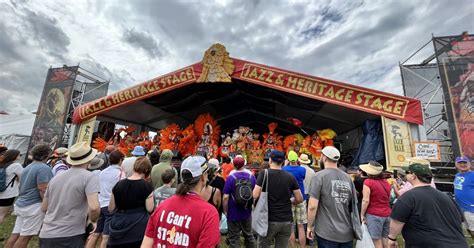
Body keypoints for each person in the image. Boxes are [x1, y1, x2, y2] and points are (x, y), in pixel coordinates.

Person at [141, 155, 221, 247]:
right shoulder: (209, 213)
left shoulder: (163, 205)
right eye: (207, 174)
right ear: (203, 177)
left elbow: (146, 244)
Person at [388, 163, 468, 248]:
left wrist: (392, 238)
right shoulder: (447, 197)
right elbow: (460, 220)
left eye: (407, 172)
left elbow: (397, 221)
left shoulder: (408, 197)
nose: (405, 174)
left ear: (413, 176)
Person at [39, 142, 101, 247]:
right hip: (71, 234)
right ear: (89, 159)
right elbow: (94, 207)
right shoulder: (89, 177)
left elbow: (44, 207)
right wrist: (93, 221)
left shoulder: (56, 178)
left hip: (46, 234)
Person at [306, 146, 360, 248]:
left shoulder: (318, 176)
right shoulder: (347, 178)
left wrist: (309, 226)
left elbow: (312, 206)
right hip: (347, 232)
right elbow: (353, 205)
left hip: (326, 233)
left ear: (324, 158)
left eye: (321, 155)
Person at [253, 149, 303, 248]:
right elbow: (299, 198)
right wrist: (292, 201)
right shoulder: (290, 177)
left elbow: (255, 195)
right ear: (284, 161)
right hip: (286, 220)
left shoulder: (264, 174)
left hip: (268, 220)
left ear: (270, 160)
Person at [6, 144, 53, 248]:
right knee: (25, 237)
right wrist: (48, 206)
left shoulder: (28, 166)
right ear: (46, 155)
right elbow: (43, 189)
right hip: (34, 206)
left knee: (16, 233)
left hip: (22, 203)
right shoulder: (44, 168)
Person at [107, 156, 154, 247]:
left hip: (118, 225)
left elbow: (111, 208)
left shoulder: (118, 185)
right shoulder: (147, 187)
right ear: (147, 169)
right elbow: (149, 208)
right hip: (138, 227)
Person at [86, 150, 125, 248]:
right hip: (111, 205)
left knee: (95, 233)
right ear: (120, 160)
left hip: (100, 203)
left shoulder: (102, 172)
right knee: (106, 236)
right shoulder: (120, 174)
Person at [223, 156, 256, 247]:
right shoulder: (251, 177)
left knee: (234, 237)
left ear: (234, 165)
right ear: (244, 164)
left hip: (233, 211)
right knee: (249, 235)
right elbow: (255, 193)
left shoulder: (230, 178)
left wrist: (226, 210)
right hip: (247, 210)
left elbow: (226, 197)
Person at [359, 161, 391, 248]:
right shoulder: (386, 182)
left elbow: (365, 200)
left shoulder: (368, 182)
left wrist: (362, 214)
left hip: (374, 215)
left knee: (376, 241)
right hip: (387, 214)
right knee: (385, 240)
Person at [283, 150, 307, 248]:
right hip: (301, 199)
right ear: (297, 159)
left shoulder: (284, 169)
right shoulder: (302, 170)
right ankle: (303, 247)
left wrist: (285, 164)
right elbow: (303, 178)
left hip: (289, 199)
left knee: (291, 226)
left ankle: (292, 246)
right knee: (301, 226)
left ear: (288, 159)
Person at [0, 149, 23, 224]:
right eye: (19, 155)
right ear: (15, 156)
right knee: (1, 215)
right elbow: (22, 178)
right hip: (7, 194)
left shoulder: (1, 163)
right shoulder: (16, 165)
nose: (20, 156)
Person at [453, 156, 474, 239]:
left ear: (470, 164)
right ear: (456, 164)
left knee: (473, 229)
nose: (462, 164)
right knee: (468, 228)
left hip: (471, 208)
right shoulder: (457, 175)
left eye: (465, 163)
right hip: (461, 208)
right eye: (460, 163)